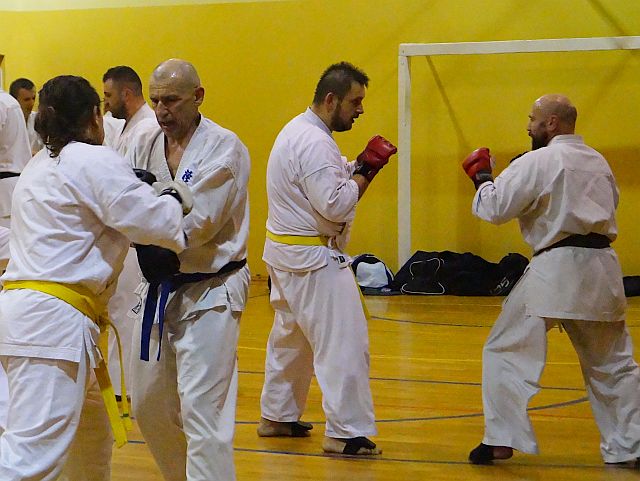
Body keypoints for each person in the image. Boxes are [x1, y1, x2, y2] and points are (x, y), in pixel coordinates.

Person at [0, 74, 190, 481]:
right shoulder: (93, 159)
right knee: (28, 459)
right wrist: (173, 197)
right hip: (51, 328)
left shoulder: (37, 165)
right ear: (94, 116)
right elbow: (157, 224)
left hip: (25, 318)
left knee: (90, 439)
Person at [462, 94, 640, 466]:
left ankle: (500, 438)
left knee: (505, 349)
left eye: (532, 119)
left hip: (556, 267)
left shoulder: (539, 160)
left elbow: (494, 208)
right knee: (613, 364)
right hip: (602, 268)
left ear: (551, 123)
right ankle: (632, 444)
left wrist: (482, 178)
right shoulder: (598, 162)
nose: (528, 126)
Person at [258, 61, 396, 456]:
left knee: (292, 339)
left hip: (288, 254)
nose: (360, 110)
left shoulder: (299, 131)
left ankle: (277, 416)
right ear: (331, 99)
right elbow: (334, 204)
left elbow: (319, 183)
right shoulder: (315, 142)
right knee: (344, 342)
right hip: (312, 258)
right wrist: (366, 173)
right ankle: (345, 432)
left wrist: (355, 165)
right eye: (355, 102)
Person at [127, 58, 251, 481]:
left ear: (198, 97)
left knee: (203, 412)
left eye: (172, 100)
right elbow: (121, 201)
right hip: (158, 289)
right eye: (155, 100)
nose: (162, 110)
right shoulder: (144, 142)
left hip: (211, 290)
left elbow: (197, 225)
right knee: (147, 405)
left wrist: (145, 215)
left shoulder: (225, 148)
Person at [102, 65, 158, 401]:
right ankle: (120, 383)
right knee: (120, 311)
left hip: (137, 241)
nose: (105, 103)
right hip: (126, 235)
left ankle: (128, 386)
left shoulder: (146, 130)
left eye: (109, 95)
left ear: (126, 93)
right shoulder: (129, 128)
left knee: (127, 312)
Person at [103, 65, 157, 155]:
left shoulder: (150, 128)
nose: (106, 102)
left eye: (109, 95)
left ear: (126, 95)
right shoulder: (121, 127)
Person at [9, 77, 44, 155]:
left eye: (33, 98)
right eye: (27, 99)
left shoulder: (39, 119)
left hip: (38, 161)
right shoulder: (6, 122)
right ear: (14, 100)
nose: (32, 103)